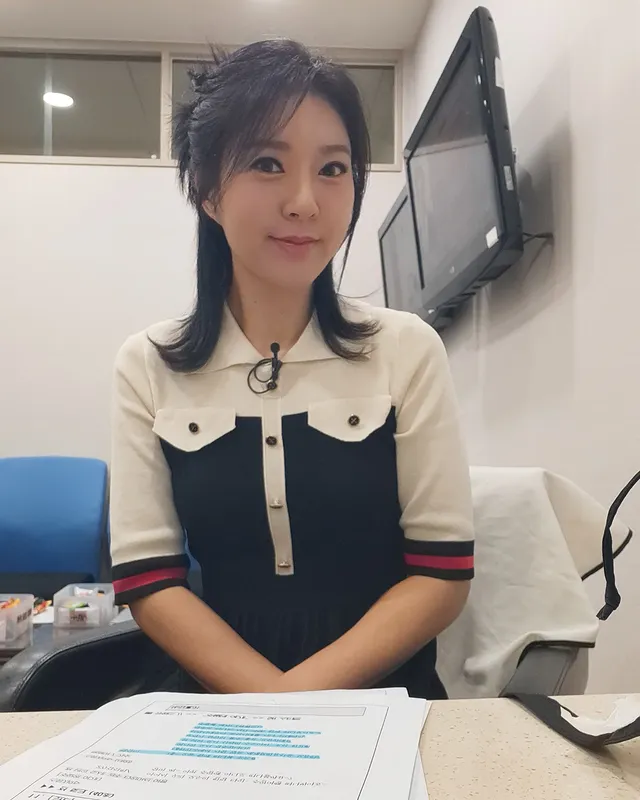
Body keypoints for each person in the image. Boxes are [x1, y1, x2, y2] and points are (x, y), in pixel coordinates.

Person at [109, 39, 474, 699]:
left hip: (384, 698)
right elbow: (150, 580)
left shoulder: (406, 350)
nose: (305, 201)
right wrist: (271, 707)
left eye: (333, 169)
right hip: (216, 698)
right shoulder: (147, 364)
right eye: (267, 163)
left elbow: (441, 573)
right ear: (206, 190)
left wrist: (295, 702)